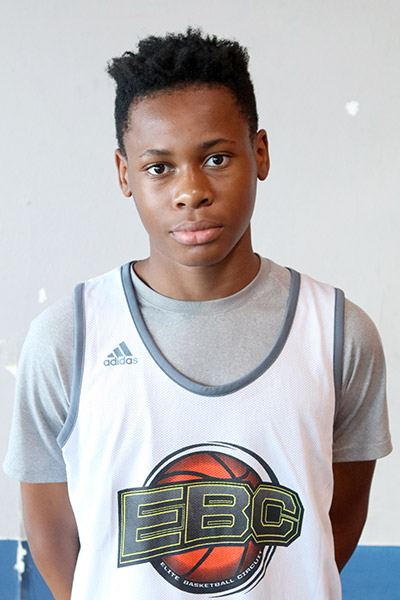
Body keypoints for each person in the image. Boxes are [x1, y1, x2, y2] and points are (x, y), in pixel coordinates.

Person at [4, 28, 391, 600]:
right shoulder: (68, 338)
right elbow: (54, 536)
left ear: (260, 153)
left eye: (216, 158)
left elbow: (330, 528)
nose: (191, 191)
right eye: (159, 167)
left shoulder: (338, 333)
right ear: (124, 174)